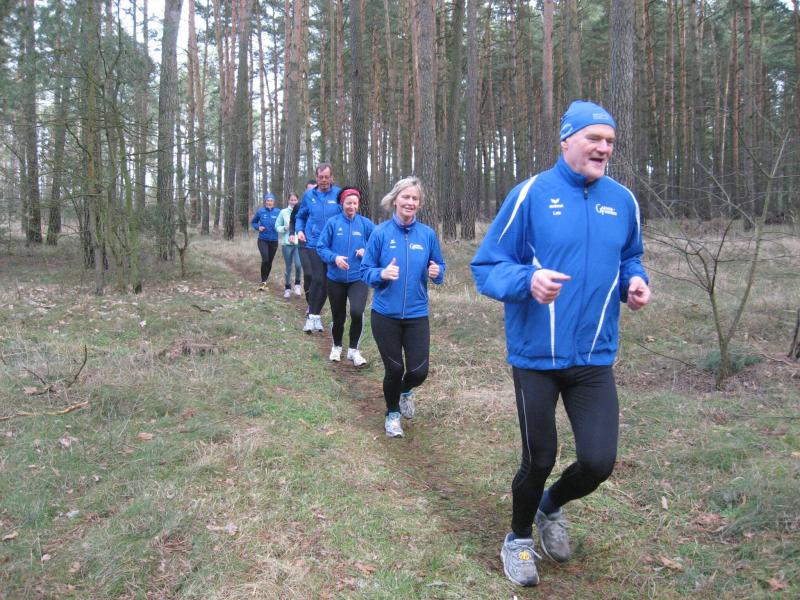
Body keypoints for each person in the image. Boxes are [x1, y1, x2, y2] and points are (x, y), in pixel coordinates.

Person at [470, 100, 651, 587]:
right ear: (567, 140)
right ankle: (517, 538)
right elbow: (486, 267)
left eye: (610, 141)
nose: (604, 148)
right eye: (594, 138)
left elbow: (630, 256)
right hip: (536, 355)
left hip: (594, 355)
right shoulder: (530, 194)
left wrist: (636, 282)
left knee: (598, 462)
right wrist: (527, 280)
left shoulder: (623, 201)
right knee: (540, 458)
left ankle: (550, 506)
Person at [361, 177, 446, 438]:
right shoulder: (380, 233)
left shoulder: (427, 235)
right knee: (395, 369)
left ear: (419, 203)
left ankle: (405, 391)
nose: (410, 202)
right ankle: (392, 414)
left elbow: (439, 267)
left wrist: (437, 272)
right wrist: (381, 274)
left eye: (415, 198)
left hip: (417, 314)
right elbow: (365, 271)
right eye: (406, 197)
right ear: (395, 199)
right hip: (385, 314)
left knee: (419, 371)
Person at [316, 187, 375, 366]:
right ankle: (337, 346)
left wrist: (366, 252)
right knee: (338, 316)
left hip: (359, 277)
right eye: (349, 203)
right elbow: (321, 247)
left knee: (357, 312)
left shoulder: (365, 224)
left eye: (355, 203)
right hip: (335, 278)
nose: (352, 206)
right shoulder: (333, 223)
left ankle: (354, 351)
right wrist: (335, 258)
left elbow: (378, 244)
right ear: (342, 203)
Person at [295, 165, 342, 333]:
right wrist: (299, 230)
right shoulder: (309, 195)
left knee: (327, 282)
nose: (324, 180)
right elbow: (300, 216)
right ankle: (311, 317)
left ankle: (315, 316)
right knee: (318, 279)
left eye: (326, 177)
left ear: (332, 177)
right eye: (321, 177)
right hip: (313, 243)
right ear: (316, 178)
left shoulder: (339, 194)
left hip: (333, 245)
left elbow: (346, 215)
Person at [250, 192, 281, 290]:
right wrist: (258, 227)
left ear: (273, 202)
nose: (269, 202)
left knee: (270, 262)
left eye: (271, 201)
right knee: (265, 259)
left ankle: (265, 279)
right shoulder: (261, 211)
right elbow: (253, 222)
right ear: (265, 201)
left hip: (274, 241)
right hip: (262, 240)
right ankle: (263, 281)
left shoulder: (278, 212)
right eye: (268, 200)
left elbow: (283, 222)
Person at [275, 192, 303, 299]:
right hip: (287, 244)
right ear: (288, 200)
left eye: (295, 200)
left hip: (298, 243)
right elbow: (277, 226)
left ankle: (297, 285)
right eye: (291, 200)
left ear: (298, 200)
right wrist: (284, 228)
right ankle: (287, 288)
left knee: (299, 265)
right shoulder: (283, 212)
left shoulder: (301, 211)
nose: (293, 202)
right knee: (288, 267)